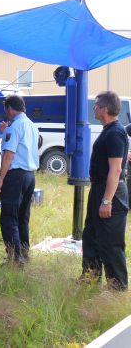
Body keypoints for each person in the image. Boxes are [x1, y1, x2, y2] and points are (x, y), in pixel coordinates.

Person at [81, 91, 128, 290]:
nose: (94, 108)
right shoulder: (109, 130)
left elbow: (116, 169)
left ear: (105, 109)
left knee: (110, 242)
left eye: (96, 105)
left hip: (111, 193)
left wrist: (107, 200)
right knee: (91, 235)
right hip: (100, 189)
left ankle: (117, 287)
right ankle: (90, 277)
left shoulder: (115, 132)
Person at [0, 95, 39, 266]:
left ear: (10, 109)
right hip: (30, 176)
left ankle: (14, 259)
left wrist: (0, 181)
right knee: (22, 217)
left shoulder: (14, 128)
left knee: (9, 217)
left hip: (16, 176)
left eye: (6, 110)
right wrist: (6, 130)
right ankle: (23, 253)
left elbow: (8, 155)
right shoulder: (31, 125)